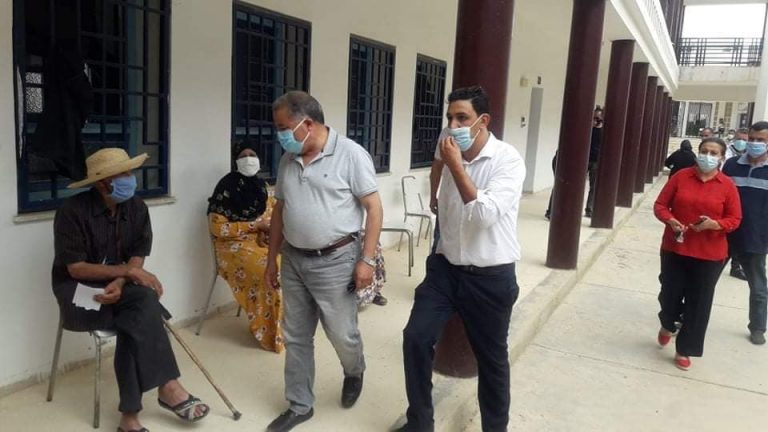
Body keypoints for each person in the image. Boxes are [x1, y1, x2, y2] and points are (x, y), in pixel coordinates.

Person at [52, 148, 209, 432]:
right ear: (103, 182)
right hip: (79, 290)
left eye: (129, 172)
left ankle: (131, 415)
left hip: (121, 288)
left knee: (138, 310)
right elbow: (76, 268)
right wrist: (127, 272)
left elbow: (137, 255)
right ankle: (167, 389)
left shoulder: (136, 208)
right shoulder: (71, 212)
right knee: (140, 313)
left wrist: (123, 279)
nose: (130, 178)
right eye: (123, 174)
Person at [398, 86, 525, 432]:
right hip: (445, 268)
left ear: (483, 121)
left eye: (462, 118)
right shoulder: (448, 142)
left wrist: (455, 166)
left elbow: (483, 215)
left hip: (490, 276)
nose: (453, 125)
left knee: (492, 360)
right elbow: (439, 166)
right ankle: (419, 423)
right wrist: (436, 192)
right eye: (450, 117)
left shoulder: (508, 160)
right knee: (416, 338)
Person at [263, 91, 383, 432]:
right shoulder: (289, 158)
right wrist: (271, 260)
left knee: (342, 334)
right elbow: (280, 210)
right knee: (296, 336)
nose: (280, 135)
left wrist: (367, 261)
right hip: (294, 259)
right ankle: (300, 404)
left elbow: (374, 208)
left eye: (283, 127)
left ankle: (354, 370)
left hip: (336, 260)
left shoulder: (351, 155)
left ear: (307, 124)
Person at [654, 137, 741, 370]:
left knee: (699, 302)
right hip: (675, 248)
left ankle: (685, 349)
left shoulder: (727, 185)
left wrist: (715, 224)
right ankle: (668, 323)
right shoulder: (681, 177)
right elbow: (660, 205)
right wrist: (670, 220)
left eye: (714, 153)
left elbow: (735, 219)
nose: (708, 156)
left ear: (721, 158)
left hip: (709, 254)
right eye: (704, 151)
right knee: (669, 293)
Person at [207, 141, 283, 352]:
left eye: (253, 154)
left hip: (259, 242)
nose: (249, 159)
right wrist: (254, 226)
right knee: (267, 270)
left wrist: (265, 231)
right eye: (243, 155)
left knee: (292, 263)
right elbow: (217, 228)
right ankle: (269, 332)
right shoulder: (226, 188)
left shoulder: (262, 187)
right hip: (231, 246)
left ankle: (287, 326)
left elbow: (271, 217)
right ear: (236, 161)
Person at [722, 121, 768, 345]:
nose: (754, 143)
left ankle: (758, 327)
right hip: (725, 234)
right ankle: (688, 317)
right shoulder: (731, 165)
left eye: (761, 140)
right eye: (752, 139)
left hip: (756, 238)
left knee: (758, 287)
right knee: (703, 281)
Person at [723, 128, 749, 280]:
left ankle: (736, 266)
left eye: (745, 140)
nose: (742, 142)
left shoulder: (752, 157)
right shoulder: (728, 155)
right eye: (739, 139)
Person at [585, 106, 604, 218]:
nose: (596, 120)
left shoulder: (603, 132)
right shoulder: (587, 130)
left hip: (596, 162)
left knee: (593, 187)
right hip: (584, 160)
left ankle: (589, 208)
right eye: (594, 118)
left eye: (598, 118)